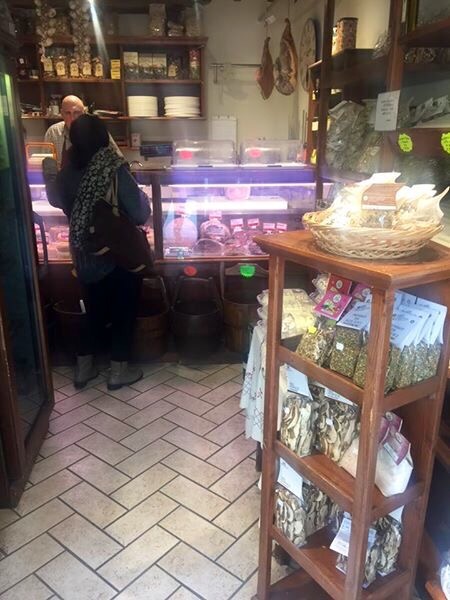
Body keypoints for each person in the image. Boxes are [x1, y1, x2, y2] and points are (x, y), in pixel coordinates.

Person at [44, 114, 151, 390]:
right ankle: (118, 373)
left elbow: (56, 200)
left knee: (92, 310)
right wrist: (143, 197)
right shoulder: (113, 168)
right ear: (104, 138)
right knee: (123, 310)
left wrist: (48, 172)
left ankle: (83, 370)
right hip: (116, 251)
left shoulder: (67, 171)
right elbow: (140, 213)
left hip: (83, 251)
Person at [44, 95, 121, 169]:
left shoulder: (97, 131)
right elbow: (45, 164)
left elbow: (118, 160)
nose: (72, 118)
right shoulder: (53, 133)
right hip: (63, 177)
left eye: (76, 113)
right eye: (68, 113)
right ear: (62, 114)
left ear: (84, 113)